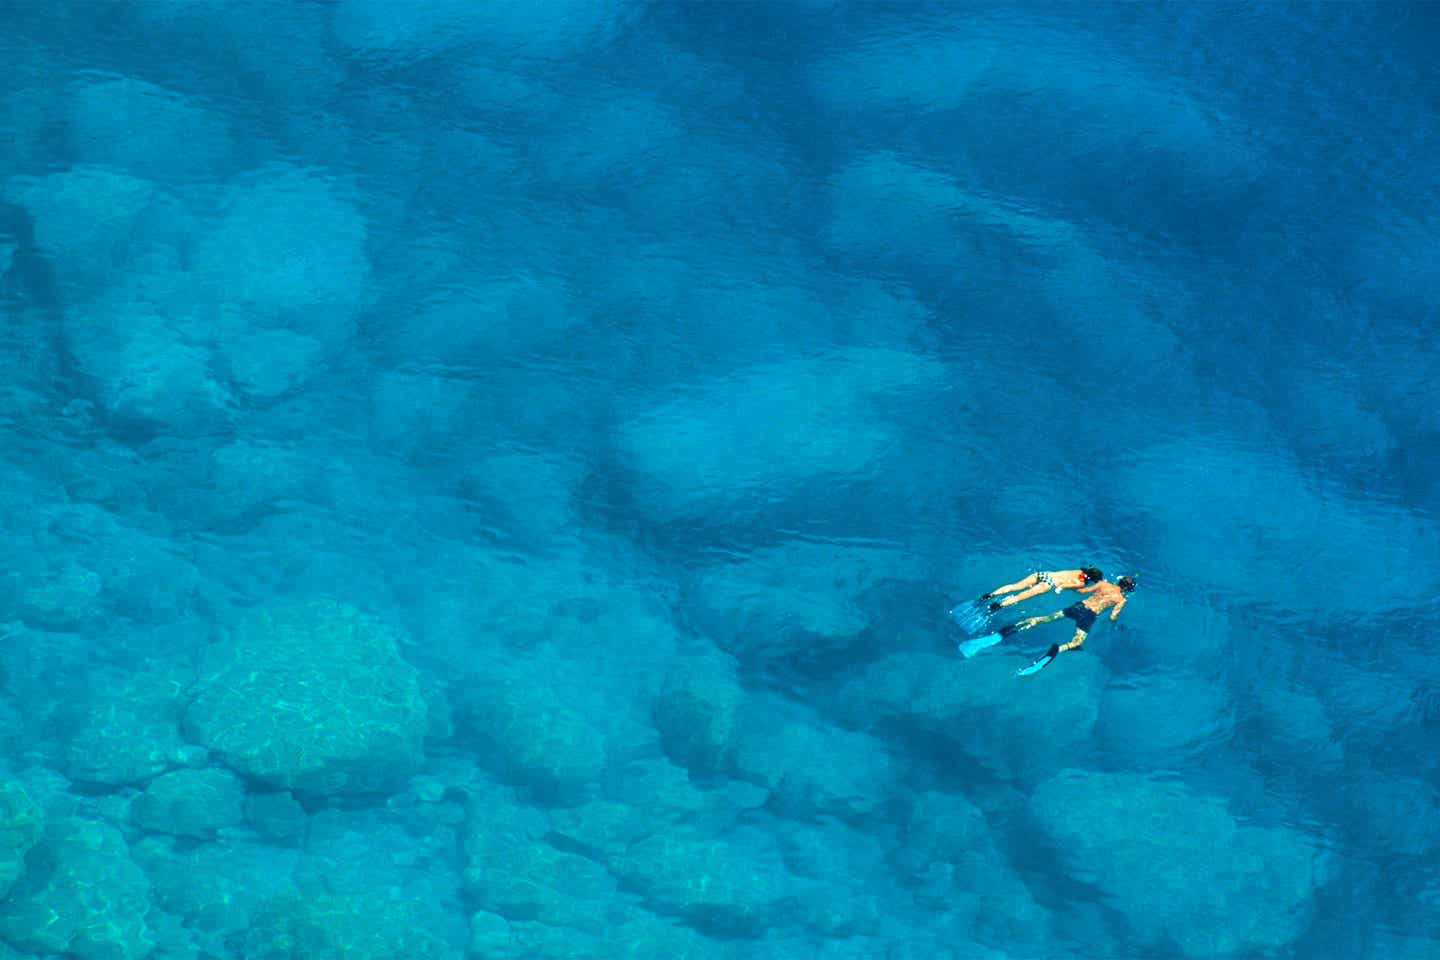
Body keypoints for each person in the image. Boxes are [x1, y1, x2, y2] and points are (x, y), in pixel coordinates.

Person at [1000, 575, 1136, 675]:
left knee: (1046, 618)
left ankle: (1018, 625)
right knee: (1077, 642)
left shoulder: (1103, 584)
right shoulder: (1121, 599)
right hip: (1089, 616)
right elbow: (1113, 616)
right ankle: (1058, 649)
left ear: (1119, 581)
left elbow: (1082, 591)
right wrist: (1114, 626)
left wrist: (1066, 585)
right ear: (1128, 589)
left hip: (1078, 607)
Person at [980, 566, 1104, 611]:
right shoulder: (1082, 583)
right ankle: (998, 606)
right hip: (1048, 584)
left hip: (1044, 574)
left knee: (1015, 586)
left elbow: (1075, 578)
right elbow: (1067, 585)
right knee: (1019, 597)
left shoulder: (1079, 571)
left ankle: (990, 595)